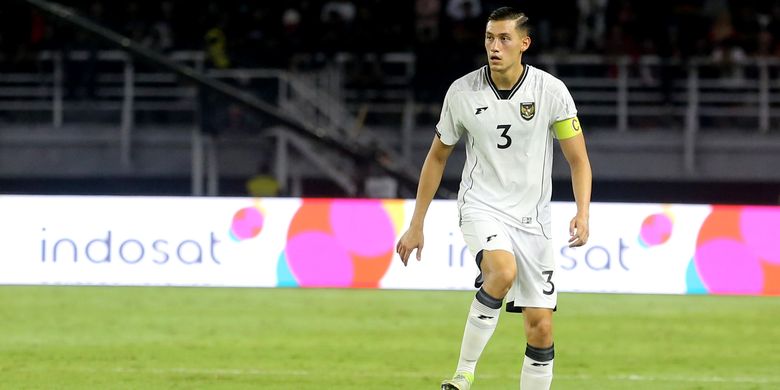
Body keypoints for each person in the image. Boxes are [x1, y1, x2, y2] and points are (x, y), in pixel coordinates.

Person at [396, 7, 592, 390]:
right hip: (481, 206)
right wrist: (416, 223)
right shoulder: (462, 92)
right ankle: (463, 374)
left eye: (504, 38)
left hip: (533, 221)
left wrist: (582, 212)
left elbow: (578, 159)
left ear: (524, 43)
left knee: (541, 328)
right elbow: (437, 156)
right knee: (501, 272)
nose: (494, 46)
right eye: (489, 38)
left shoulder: (551, 92)